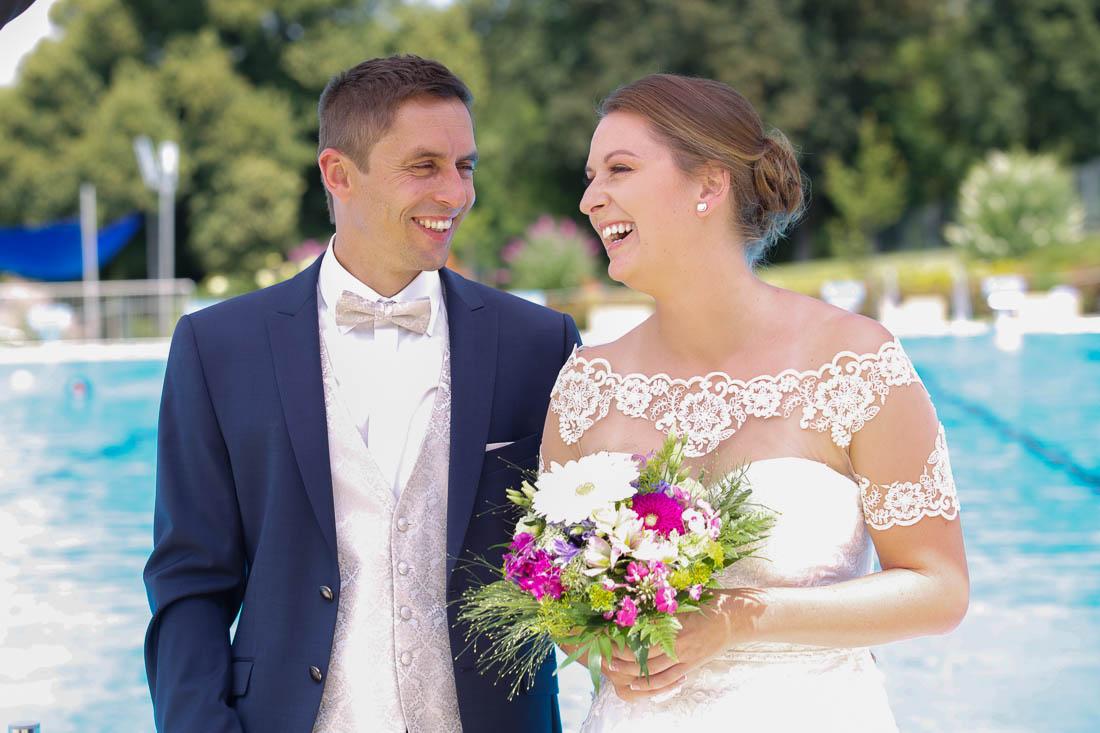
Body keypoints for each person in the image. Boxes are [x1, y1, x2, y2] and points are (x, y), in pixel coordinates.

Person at [143, 55, 578, 732]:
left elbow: (579, 557)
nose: (456, 193)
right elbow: (190, 581)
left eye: (465, 166)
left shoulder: (538, 344)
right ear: (339, 174)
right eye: (424, 165)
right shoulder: (217, 347)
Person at [540, 73, 968, 732]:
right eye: (592, 175)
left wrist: (739, 618)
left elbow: (940, 588)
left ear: (709, 185)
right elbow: (557, 592)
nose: (591, 198)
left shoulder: (853, 364)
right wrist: (602, 642)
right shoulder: (585, 387)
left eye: (619, 169)